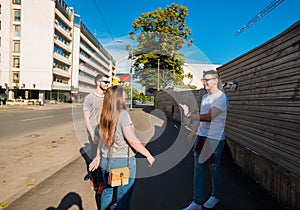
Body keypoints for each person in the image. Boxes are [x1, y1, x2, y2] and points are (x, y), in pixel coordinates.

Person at [89, 86, 155, 210]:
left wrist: (98, 157)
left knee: (107, 191)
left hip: (106, 161)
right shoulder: (123, 114)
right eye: (124, 96)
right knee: (123, 196)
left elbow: (102, 140)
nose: (125, 98)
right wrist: (148, 155)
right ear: (119, 98)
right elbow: (132, 140)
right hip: (123, 162)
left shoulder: (104, 115)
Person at [183, 70, 228, 210]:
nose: (204, 82)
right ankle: (196, 203)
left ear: (215, 80)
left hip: (214, 139)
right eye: (203, 80)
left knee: (214, 169)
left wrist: (189, 114)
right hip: (202, 137)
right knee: (198, 170)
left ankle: (215, 196)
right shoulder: (204, 97)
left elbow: (209, 117)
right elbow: (202, 117)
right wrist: (195, 131)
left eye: (206, 80)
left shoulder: (221, 97)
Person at [83, 72, 111, 190]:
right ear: (97, 82)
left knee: (105, 155)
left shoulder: (107, 97)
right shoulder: (89, 97)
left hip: (106, 131)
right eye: (105, 82)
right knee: (95, 155)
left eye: (108, 82)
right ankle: (95, 178)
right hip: (94, 131)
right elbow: (86, 118)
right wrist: (92, 134)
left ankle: (103, 181)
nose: (107, 84)